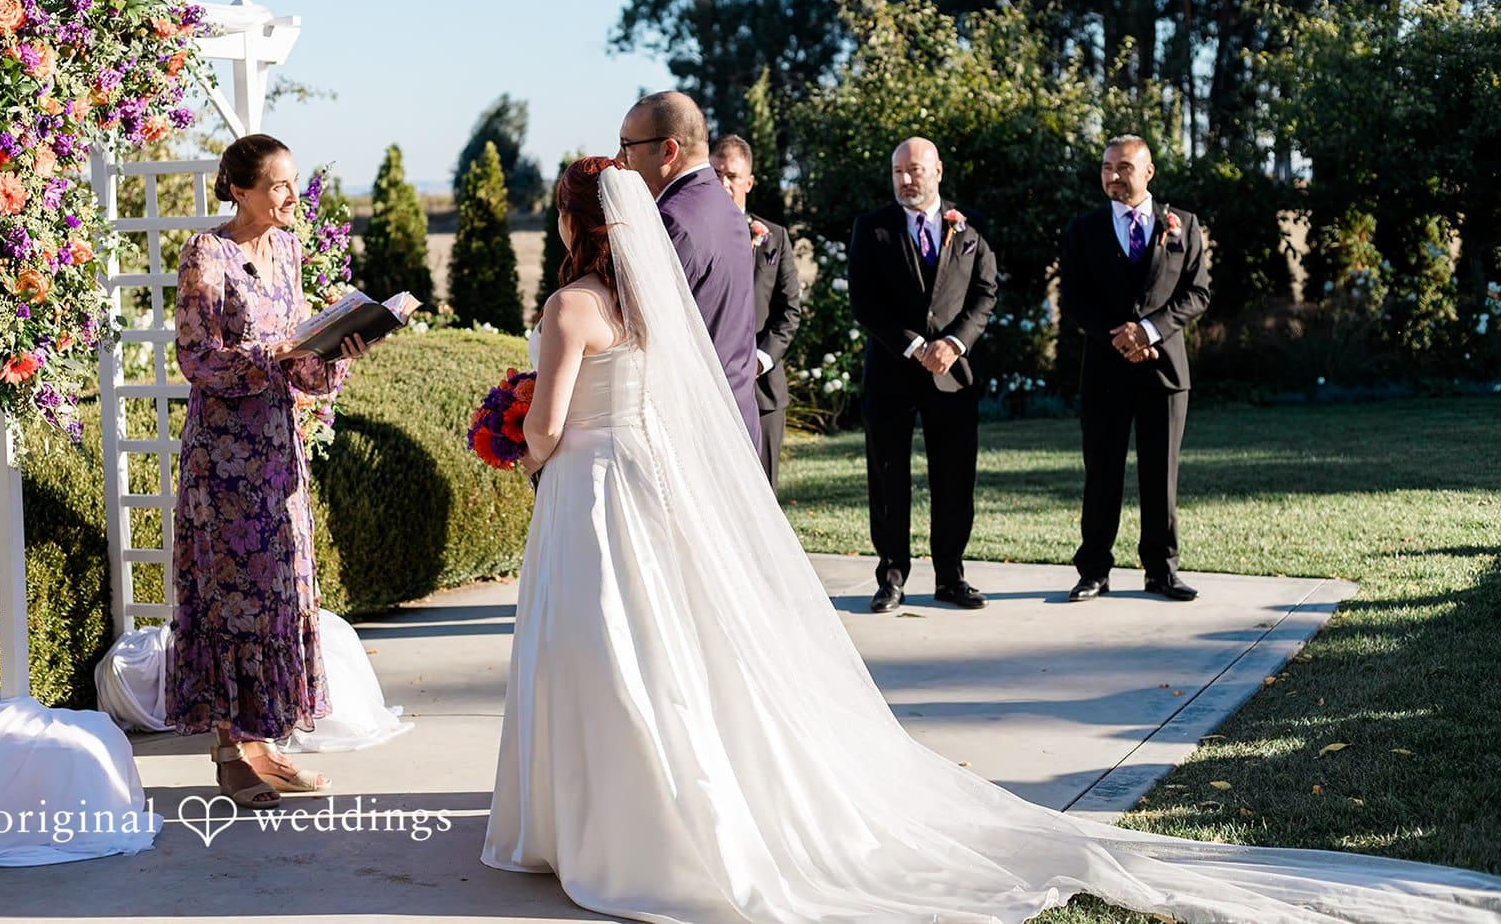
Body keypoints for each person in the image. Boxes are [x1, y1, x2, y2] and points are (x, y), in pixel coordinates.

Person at [480, 157, 1501, 923]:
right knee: (647, 651)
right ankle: (640, 811)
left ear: (572, 224)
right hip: (647, 492)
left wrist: (513, 439)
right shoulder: (647, 312)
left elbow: (546, 431)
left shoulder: (571, 304)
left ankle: (589, 820)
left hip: (590, 492)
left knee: (595, 650)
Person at [166, 134, 372, 809]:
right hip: (223, 462)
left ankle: (265, 743)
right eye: (277, 184)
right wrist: (272, 351)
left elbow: (302, 366)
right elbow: (197, 360)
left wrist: (336, 350)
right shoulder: (206, 253)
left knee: (281, 591)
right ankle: (232, 754)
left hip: (278, 450)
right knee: (232, 598)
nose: (290, 195)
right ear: (240, 190)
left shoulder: (287, 250)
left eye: (292, 182)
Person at [847, 136, 998, 614]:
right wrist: (915, 346)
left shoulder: (969, 228)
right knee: (889, 478)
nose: (906, 179)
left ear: (937, 171)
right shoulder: (872, 228)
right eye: (897, 172)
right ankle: (890, 578)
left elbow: (985, 293)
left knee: (954, 478)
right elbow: (864, 303)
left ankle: (951, 576)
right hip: (892, 373)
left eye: (914, 170)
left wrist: (953, 344)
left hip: (952, 375)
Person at [1061, 135, 1210, 604]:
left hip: (1164, 372)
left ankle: (1161, 571)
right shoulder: (1083, 229)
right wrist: (1121, 336)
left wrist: (1148, 332)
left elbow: (1197, 293)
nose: (1112, 175)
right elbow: (1075, 299)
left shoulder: (1182, 225)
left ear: (1148, 172)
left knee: (1160, 474)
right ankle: (1093, 571)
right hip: (1105, 370)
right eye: (1106, 167)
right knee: (1101, 471)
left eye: (1123, 167)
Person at [615, 90, 760, 449]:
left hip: (697, 431)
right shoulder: (725, 208)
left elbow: (644, 329)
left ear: (668, 150)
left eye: (627, 145)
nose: (619, 160)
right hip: (738, 414)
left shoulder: (672, 220)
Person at [710, 134, 801, 489]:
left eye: (731, 176)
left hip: (762, 392)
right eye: (715, 173)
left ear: (748, 182)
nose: (723, 183)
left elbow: (789, 310)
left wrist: (760, 360)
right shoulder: (690, 234)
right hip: (706, 386)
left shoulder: (774, 237)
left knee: (762, 496)